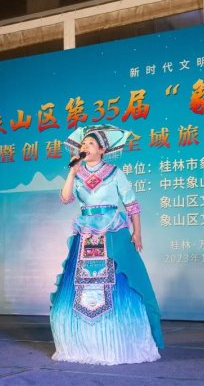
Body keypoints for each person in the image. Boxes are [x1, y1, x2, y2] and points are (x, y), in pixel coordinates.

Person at [50, 124, 164, 365]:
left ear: (102, 150)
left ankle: (118, 338)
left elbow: (131, 204)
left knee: (121, 280)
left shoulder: (115, 172)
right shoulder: (77, 173)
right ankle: (81, 340)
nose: (85, 147)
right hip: (86, 233)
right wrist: (71, 172)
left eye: (90, 144)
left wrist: (137, 233)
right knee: (81, 283)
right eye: (83, 144)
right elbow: (65, 198)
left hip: (111, 229)